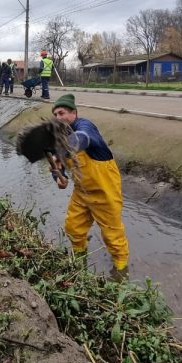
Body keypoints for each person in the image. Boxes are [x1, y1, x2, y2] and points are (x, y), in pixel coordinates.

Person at [50, 93, 129, 276]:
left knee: (113, 235)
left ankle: (121, 271)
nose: (58, 118)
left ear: (74, 113)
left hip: (105, 191)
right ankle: (79, 262)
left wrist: (62, 153)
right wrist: (59, 177)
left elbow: (82, 139)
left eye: (61, 113)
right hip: (82, 191)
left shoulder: (85, 127)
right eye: (55, 115)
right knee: (73, 227)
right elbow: (56, 165)